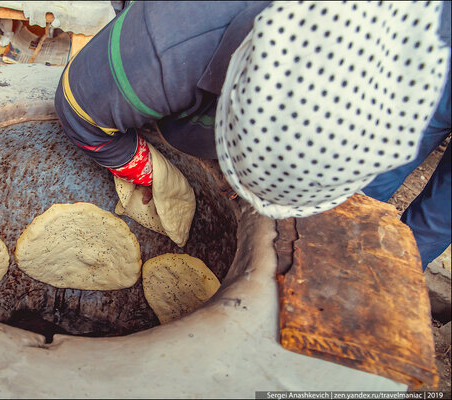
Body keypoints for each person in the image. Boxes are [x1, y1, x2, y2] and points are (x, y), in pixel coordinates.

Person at [55, 1, 450, 269]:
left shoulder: (411, 71)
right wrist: (151, 172)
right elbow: (79, 115)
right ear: (232, 90)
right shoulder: (165, 49)